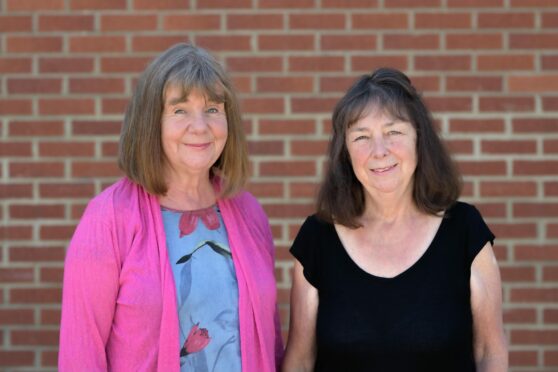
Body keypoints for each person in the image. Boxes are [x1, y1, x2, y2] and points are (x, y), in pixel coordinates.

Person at [59, 43, 283, 372]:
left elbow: (271, 342)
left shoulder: (249, 213)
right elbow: (81, 353)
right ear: (152, 123)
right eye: (180, 110)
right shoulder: (108, 219)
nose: (200, 126)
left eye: (212, 109)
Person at [282, 68, 508, 371]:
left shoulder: (464, 231)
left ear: (419, 138)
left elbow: (489, 351)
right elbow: (299, 360)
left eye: (393, 132)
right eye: (362, 136)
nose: (379, 151)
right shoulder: (318, 239)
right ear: (345, 152)